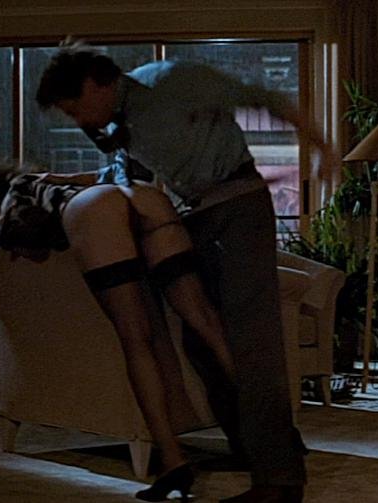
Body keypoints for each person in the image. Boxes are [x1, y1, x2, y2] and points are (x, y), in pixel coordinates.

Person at [35, 43, 319, 503]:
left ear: (93, 85)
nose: (77, 120)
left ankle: (280, 480)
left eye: (74, 109)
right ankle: (255, 448)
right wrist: (65, 182)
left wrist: (322, 147)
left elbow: (263, 97)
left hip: (237, 208)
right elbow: (125, 176)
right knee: (202, 342)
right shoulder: (122, 123)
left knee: (250, 340)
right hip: (196, 217)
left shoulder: (170, 81)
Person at [0, 160, 238, 502]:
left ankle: (173, 461)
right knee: (208, 322)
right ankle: (269, 433)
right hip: (142, 195)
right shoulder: (57, 179)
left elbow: (22, 238)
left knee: (137, 340)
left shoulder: (19, 189)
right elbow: (103, 175)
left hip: (95, 213)